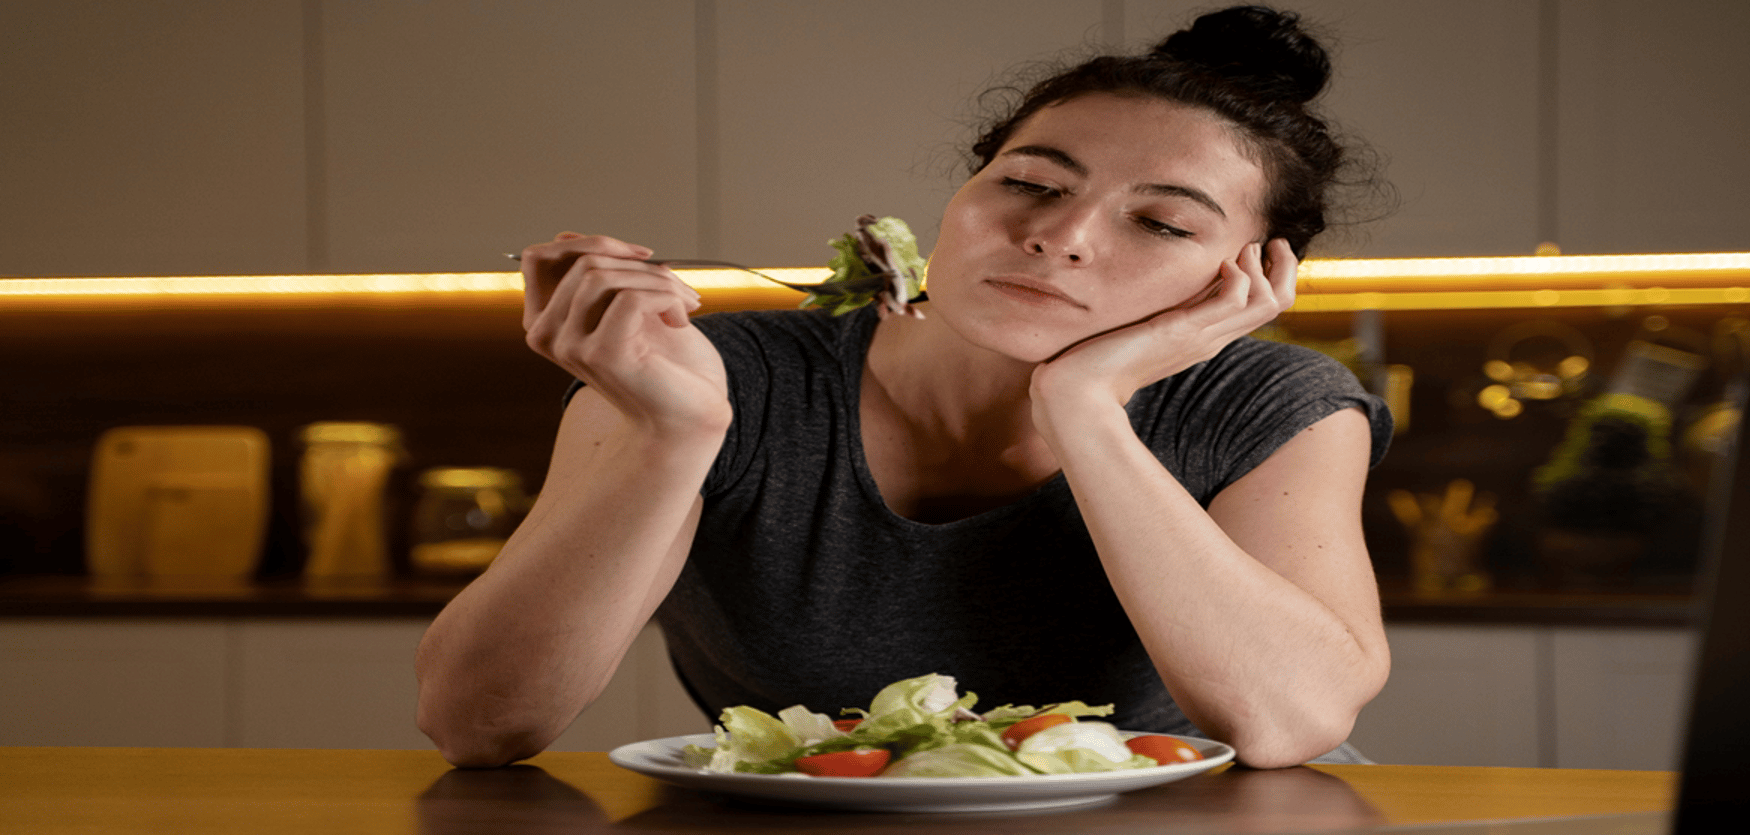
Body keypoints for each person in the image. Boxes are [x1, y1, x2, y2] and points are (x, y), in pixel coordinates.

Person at [416, 4, 1394, 770]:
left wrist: (1085, 407)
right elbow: (478, 724)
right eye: (1031, 182)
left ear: (1248, 279)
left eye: (1165, 224)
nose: (1060, 234)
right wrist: (675, 437)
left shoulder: (1273, 405)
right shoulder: (704, 379)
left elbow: (1288, 720)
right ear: (965, 194)